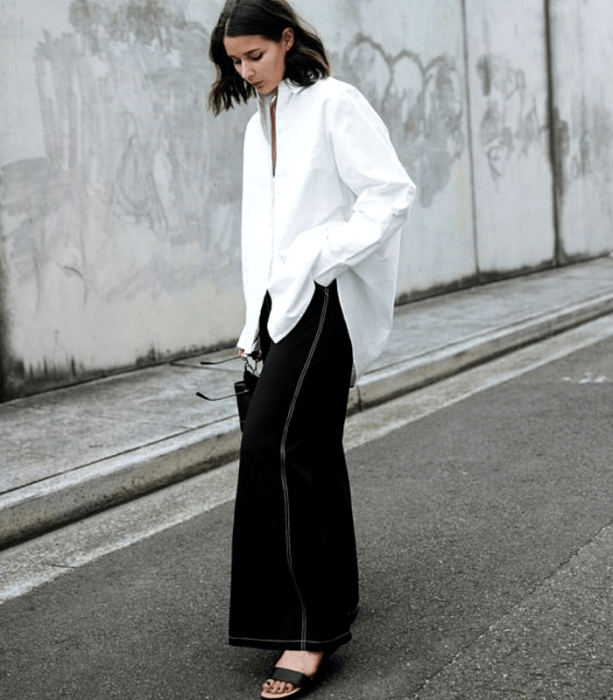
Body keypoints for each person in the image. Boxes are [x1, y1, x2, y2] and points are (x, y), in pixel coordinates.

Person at [208, 1, 416, 696]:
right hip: (277, 305)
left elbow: (389, 195)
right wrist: (253, 323)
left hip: (323, 297)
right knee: (311, 453)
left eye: (255, 56)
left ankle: (304, 634)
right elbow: (259, 233)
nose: (245, 70)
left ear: (286, 40)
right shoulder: (254, 123)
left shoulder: (333, 103)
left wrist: (324, 256)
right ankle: (330, 604)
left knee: (274, 446)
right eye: (235, 61)